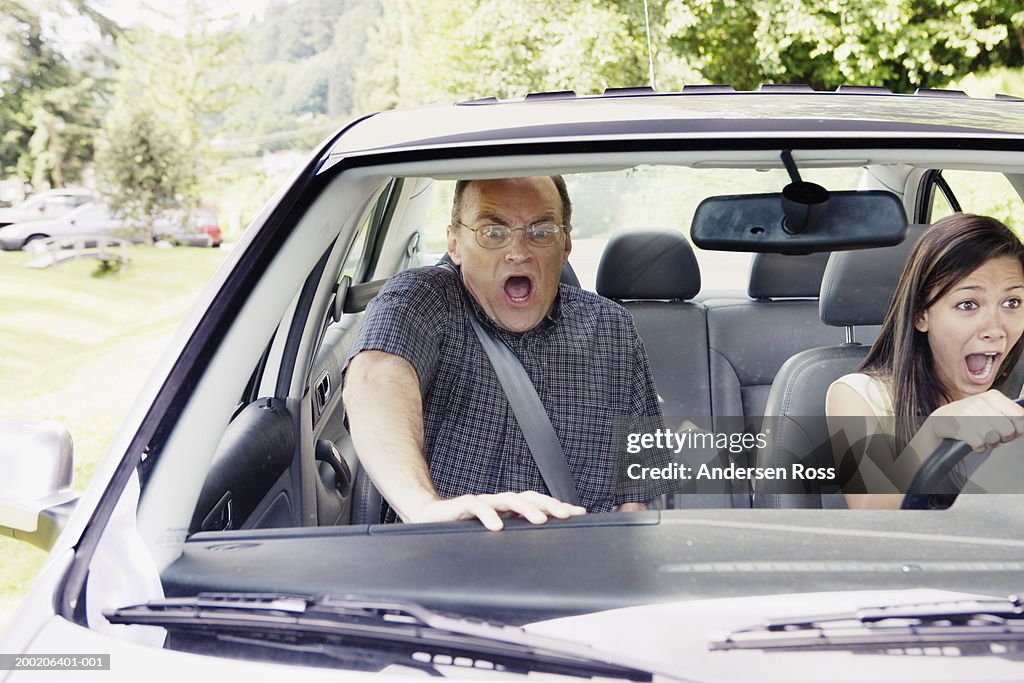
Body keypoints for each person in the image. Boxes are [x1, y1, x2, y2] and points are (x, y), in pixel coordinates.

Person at [343, 176, 667, 530]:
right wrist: (424, 508)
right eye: (493, 233)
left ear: (566, 244)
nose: (518, 251)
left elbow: (639, 489)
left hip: (577, 569)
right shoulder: (423, 300)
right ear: (455, 244)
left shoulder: (612, 328)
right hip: (443, 558)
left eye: (541, 231)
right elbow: (375, 376)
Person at [826, 213, 1024, 509]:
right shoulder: (857, 395)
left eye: (1012, 303)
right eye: (967, 304)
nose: (995, 329)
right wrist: (933, 431)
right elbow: (870, 518)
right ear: (921, 315)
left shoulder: (1018, 391)